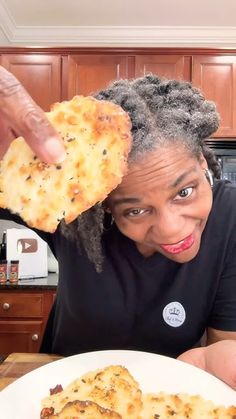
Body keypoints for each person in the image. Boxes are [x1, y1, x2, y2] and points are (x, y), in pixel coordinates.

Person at [0, 65, 236, 390]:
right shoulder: (73, 213)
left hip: (168, 398)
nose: (170, 230)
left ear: (201, 162)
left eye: (184, 192)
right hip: (60, 394)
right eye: (135, 210)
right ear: (106, 204)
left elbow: (222, 352)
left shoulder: (230, 216)